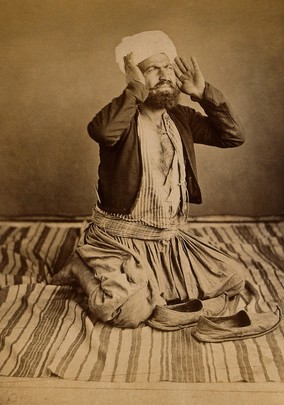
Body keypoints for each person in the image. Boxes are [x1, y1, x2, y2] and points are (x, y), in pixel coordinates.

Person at [52, 31, 246, 328]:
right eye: (152, 69)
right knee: (128, 314)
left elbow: (232, 136)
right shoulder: (122, 119)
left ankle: (155, 286)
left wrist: (203, 92)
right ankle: (81, 264)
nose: (164, 75)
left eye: (167, 67)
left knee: (233, 277)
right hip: (119, 241)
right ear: (135, 78)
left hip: (168, 241)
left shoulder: (181, 116)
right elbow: (101, 132)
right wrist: (134, 90)